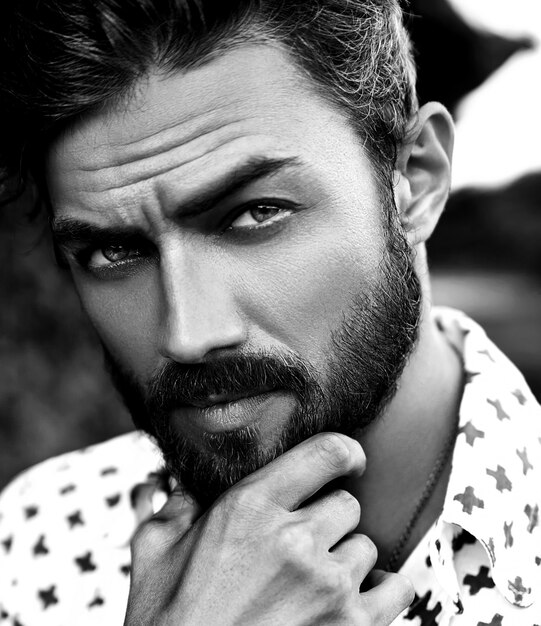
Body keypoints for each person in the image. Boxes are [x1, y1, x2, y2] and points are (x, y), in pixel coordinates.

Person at [0, 1, 539, 624]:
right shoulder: (32, 544)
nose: (188, 334)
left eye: (256, 214)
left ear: (415, 182)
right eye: (113, 252)